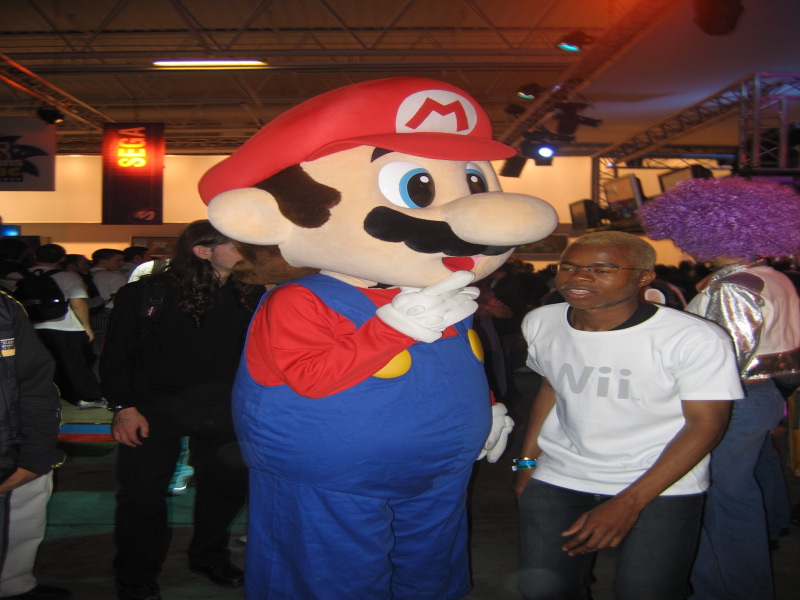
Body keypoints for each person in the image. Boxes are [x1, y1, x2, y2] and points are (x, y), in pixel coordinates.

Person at [514, 231, 743, 600]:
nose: (578, 277)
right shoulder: (541, 321)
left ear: (644, 277)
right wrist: (527, 463)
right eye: (568, 267)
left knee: (647, 591)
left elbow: (706, 424)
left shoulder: (693, 337)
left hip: (660, 484)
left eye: (601, 269)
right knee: (545, 589)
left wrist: (631, 501)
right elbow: (550, 389)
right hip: (560, 477)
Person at [638, 176, 800, 600]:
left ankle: (726, 588)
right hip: (764, 395)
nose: (684, 247)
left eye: (685, 236)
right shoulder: (771, 276)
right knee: (747, 484)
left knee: (721, 496)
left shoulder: (733, 287)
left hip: (733, 401)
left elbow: (722, 357)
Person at [100, 220, 264, 600]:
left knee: (225, 487)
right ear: (203, 251)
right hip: (153, 405)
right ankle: (136, 574)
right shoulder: (148, 293)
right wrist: (124, 406)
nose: (247, 249)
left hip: (223, 405)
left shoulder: (252, 292)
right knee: (142, 493)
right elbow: (118, 355)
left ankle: (209, 555)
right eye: (236, 243)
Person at [0, 290, 69, 600]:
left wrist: (37, 453)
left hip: (14, 444)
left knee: (23, 515)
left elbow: (34, 383)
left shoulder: (5, 308)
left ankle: (14, 583)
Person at [28, 244, 104, 409]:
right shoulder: (68, 277)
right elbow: (78, 303)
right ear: (62, 258)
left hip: (32, 325)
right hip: (66, 325)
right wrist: (87, 327)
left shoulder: (20, 275)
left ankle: (50, 394)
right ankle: (87, 397)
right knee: (75, 364)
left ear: (35, 256)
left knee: (44, 364)